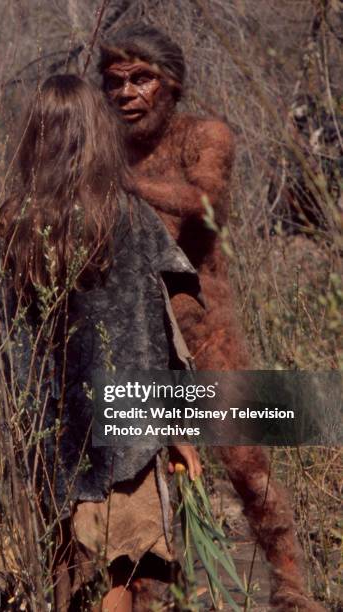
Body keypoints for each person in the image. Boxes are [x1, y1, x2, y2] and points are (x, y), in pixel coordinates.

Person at [99, 24, 325, 611]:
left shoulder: (206, 135)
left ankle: (292, 586)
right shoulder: (102, 143)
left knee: (246, 461)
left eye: (140, 79)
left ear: (170, 83)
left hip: (205, 325)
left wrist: (124, 184)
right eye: (115, 81)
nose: (126, 93)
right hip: (132, 334)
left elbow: (206, 202)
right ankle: (152, 595)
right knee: (141, 470)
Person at [0, 74, 202, 611]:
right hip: (123, 430)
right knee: (125, 570)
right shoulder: (127, 217)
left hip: (47, 431)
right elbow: (158, 332)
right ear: (97, 134)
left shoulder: (14, 226)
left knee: (65, 567)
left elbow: (5, 344)